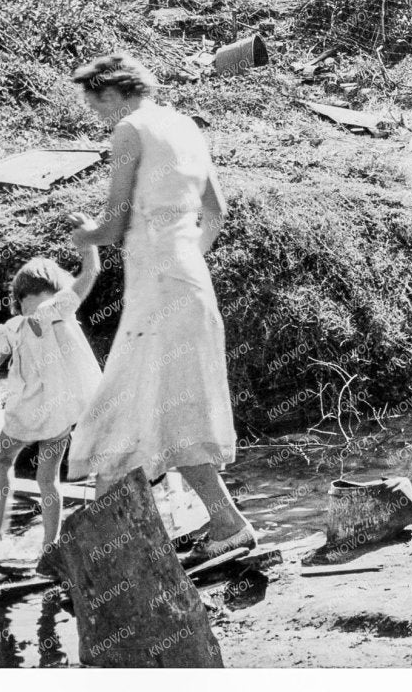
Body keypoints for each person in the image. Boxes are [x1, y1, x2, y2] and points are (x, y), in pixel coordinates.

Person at [66, 52, 255, 558]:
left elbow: (113, 222)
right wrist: (181, 258)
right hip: (187, 280)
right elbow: (216, 211)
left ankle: (221, 526)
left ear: (111, 92)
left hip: (159, 286)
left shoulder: (129, 130)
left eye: (94, 102)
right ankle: (129, 538)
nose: (96, 114)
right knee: (156, 403)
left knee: (136, 405)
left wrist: (82, 235)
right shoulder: (185, 124)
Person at [0, 246, 104, 549]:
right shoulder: (59, 311)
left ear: (19, 299)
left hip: (24, 413)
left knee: (2, 460)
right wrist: (89, 247)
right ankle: (51, 543)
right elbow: (89, 273)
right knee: (47, 479)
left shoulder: (14, 327)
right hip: (59, 415)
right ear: (56, 290)